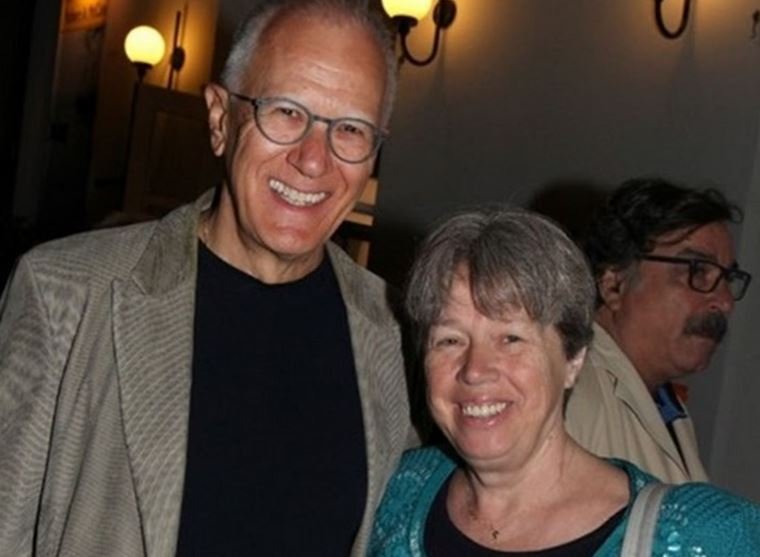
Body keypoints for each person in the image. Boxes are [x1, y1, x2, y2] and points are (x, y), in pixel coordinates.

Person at [0, 1, 416, 555]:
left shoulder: (396, 332)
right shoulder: (67, 295)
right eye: (286, 112)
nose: (314, 160)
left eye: (351, 129)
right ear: (220, 119)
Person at [368, 206, 760, 556]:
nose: (474, 369)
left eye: (511, 338)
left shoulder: (712, 537)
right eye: (449, 340)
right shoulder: (396, 492)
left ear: (574, 358)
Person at [564, 178, 752, 484]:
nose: (725, 301)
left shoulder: (668, 407)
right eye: (697, 270)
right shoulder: (570, 393)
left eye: (728, 278)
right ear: (613, 284)